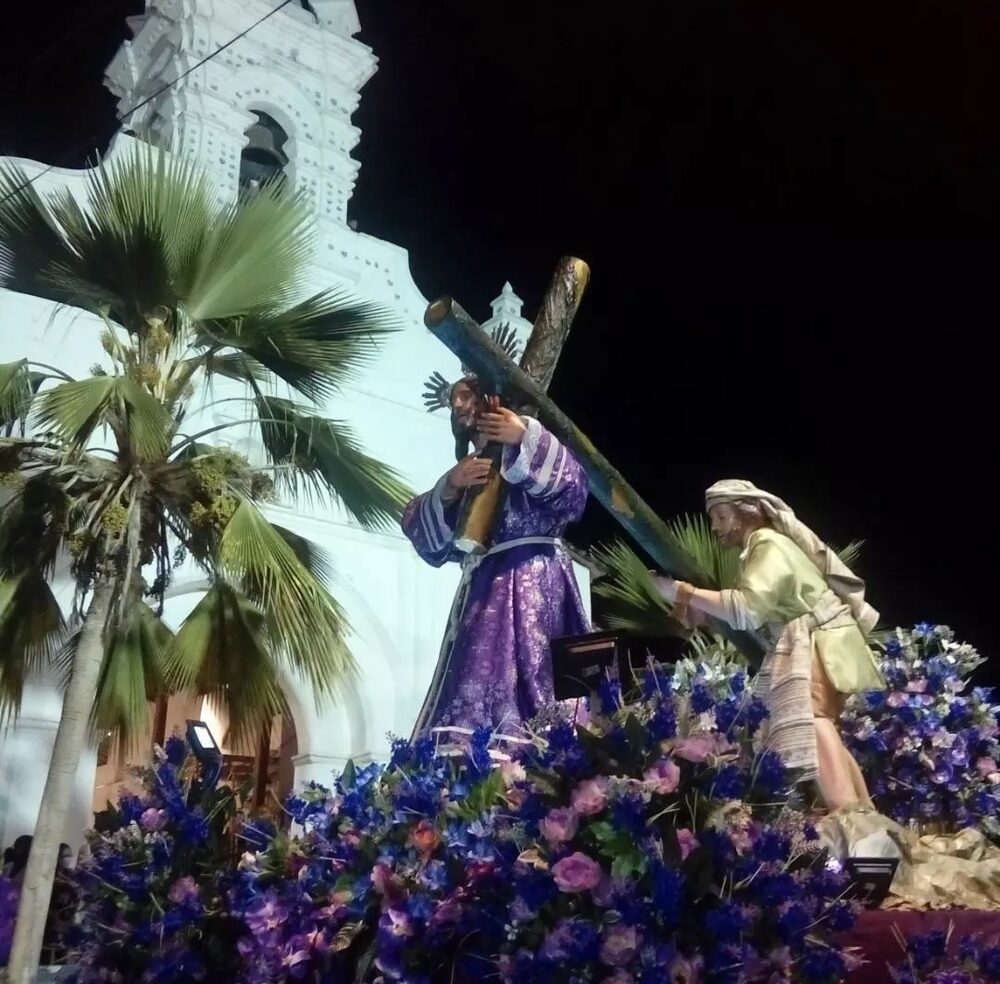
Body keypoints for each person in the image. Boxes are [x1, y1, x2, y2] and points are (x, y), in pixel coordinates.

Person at [652, 479, 885, 811]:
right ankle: (860, 812)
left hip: (818, 639)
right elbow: (753, 611)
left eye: (720, 516)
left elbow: (746, 608)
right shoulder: (762, 547)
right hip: (820, 638)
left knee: (815, 723)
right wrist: (697, 609)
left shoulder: (769, 545)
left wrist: (682, 592)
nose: (715, 527)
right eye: (712, 519)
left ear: (745, 513)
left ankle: (848, 813)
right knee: (821, 725)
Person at [403, 376, 590, 735]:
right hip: (483, 591)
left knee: (541, 686)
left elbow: (574, 494)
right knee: (473, 687)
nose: (457, 405)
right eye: (452, 399)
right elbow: (429, 542)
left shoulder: (527, 448)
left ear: (490, 396)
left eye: (465, 395)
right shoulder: (465, 473)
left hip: (537, 579)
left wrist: (523, 436)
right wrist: (450, 486)